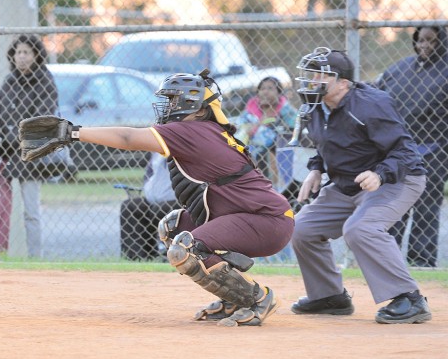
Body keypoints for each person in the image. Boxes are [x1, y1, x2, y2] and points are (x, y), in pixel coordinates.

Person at [22, 69, 293, 327]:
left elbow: (128, 138)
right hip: (253, 216)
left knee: (186, 247)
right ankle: (233, 298)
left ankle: (256, 298)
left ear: (198, 108)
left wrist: (74, 132)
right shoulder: (204, 130)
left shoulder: (193, 130)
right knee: (173, 227)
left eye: (175, 101)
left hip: (266, 222)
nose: (168, 107)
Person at [290, 47, 432, 324]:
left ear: (343, 83)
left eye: (321, 75)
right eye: (310, 74)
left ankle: (410, 299)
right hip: (349, 185)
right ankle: (330, 297)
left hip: (398, 179)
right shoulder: (315, 107)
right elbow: (327, 144)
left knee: (360, 229)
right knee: (301, 229)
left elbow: (406, 152)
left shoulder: (370, 105)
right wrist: (316, 169)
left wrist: (380, 174)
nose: (312, 80)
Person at [375, 26, 448, 267]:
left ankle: (421, 261)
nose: (424, 46)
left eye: (431, 41)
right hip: (398, 151)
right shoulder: (402, 68)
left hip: (434, 149)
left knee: (427, 209)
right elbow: (377, 93)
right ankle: (389, 259)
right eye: (420, 40)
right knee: (395, 205)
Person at [0, 34, 58, 257]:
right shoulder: (9, 81)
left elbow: (42, 119)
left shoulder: (44, 81)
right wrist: (5, 140)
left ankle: (35, 257)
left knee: (31, 210)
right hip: (6, 152)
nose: (21, 57)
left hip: (30, 153)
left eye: (26, 52)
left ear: (36, 55)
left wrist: (16, 135)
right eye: (18, 52)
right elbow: (0, 116)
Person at [233, 76, 298, 183]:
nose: (265, 92)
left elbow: (296, 126)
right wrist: (259, 123)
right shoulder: (252, 108)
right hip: (250, 154)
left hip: (279, 154)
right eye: (262, 89)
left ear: (279, 93)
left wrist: (257, 128)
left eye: (270, 88)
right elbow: (240, 127)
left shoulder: (285, 110)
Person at [118, 152, 178, 261]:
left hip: (179, 202)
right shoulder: (156, 149)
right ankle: (137, 259)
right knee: (130, 206)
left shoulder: (185, 144)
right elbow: (149, 173)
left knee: (164, 208)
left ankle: (174, 256)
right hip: (153, 201)